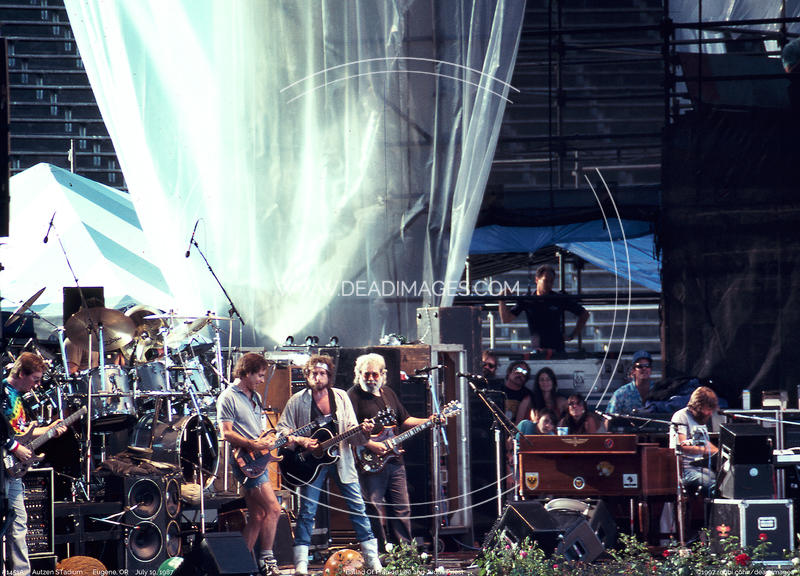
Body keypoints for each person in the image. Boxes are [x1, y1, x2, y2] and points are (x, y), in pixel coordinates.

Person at [276, 355, 382, 575]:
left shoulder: (341, 397)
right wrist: (302, 441)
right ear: (307, 375)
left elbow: (353, 434)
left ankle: (373, 561)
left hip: (341, 460)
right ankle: (301, 565)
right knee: (307, 512)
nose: (317, 376)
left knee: (358, 509)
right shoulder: (297, 400)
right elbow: (282, 429)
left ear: (329, 375)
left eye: (322, 373)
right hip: (309, 464)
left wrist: (364, 432)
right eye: (313, 373)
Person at [347, 353, 439, 550]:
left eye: (374, 374)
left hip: (395, 461)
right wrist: (372, 444)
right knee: (373, 506)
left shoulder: (388, 393)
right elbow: (348, 431)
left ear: (383, 374)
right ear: (358, 374)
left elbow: (404, 420)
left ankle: (404, 553)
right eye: (366, 374)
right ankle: (378, 552)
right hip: (369, 460)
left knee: (401, 508)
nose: (370, 379)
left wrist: (428, 421)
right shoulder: (352, 396)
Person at [2, 352, 68, 576]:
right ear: (21, 373)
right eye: (35, 379)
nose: (38, 385)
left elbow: (22, 434)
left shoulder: (19, 397)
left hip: (12, 470)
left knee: (20, 524)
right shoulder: (2, 393)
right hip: (3, 466)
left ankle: (22, 573)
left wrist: (50, 430)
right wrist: (14, 448)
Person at [217, 352, 282, 576]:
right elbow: (226, 433)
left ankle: (239, 566)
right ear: (246, 372)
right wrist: (252, 444)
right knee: (274, 508)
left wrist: (269, 440)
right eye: (260, 375)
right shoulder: (228, 397)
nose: (262, 380)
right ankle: (267, 561)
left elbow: (258, 430)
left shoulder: (254, 397)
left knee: (257, 516)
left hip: (257, 459)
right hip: (245, 461)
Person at [498, 264, 590, 354]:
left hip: (557, 349)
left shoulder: (559, 298)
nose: (549, 284)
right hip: (537, 349)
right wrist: (501, 299)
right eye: (546, 281)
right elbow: (506, 319)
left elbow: (584, 314)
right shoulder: (527, 299)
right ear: (537, 280)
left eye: (551, 281)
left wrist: (572, 335)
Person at [670, 386, 720, 496]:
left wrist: (720, 453)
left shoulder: (701, 419)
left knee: (723, 483)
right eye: (708, 409)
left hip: (700, 468)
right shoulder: (681, 417)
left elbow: (706, 444)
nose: (710, 413)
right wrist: (707, 451)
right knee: (712, 486)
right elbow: (683, 446)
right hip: (686, 470)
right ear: (698, 406)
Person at [606, 350, 653, 416]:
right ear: (633, 371)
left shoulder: (659, 391)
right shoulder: (621, 394)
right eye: (640, 366)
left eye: (647, 365)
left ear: (651, 369)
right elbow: (609, 418)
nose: (644, 368)